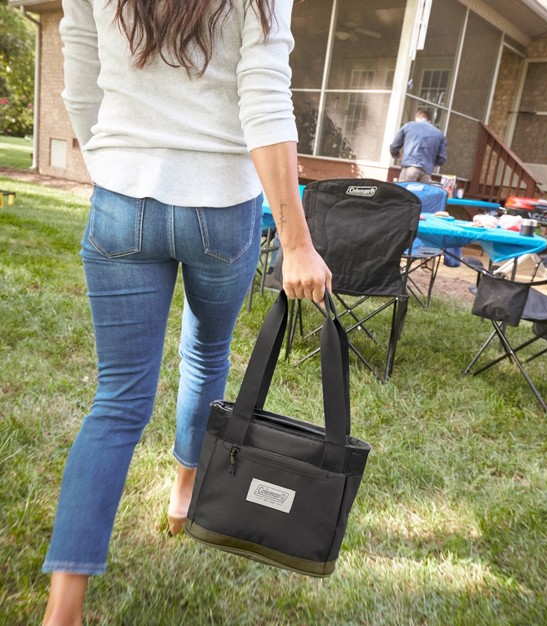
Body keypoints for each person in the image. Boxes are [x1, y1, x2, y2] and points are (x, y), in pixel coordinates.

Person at [42, 1, 332, 624]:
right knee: (206, 352)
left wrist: (115, 168)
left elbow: (79, 80)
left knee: (117, 399)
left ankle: (62, 610)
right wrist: (298, 242)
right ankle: (182, 495)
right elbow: (264, 101)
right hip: (220, 206)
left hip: (121, 195)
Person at [389, 109, 447, 183]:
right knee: (419, 194)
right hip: (426, 173)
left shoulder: (408, 126)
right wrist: (429, 162)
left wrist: (398, 156)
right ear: (429, 121)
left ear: (417, 118)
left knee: (404, 193)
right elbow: (442, 159)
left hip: (410, 167)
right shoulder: (440, 134)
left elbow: (394, 147)